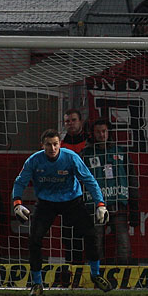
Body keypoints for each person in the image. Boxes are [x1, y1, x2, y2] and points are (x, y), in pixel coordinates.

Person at [12, 129, 112, 296]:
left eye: (55, 144)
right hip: (46, 203)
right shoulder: (34, 160)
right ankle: (37, 283)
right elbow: (20, 182)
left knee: (91, 234)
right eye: (48, 145)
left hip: (72, 201)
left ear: (60, 144)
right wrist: (17, 203)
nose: (52, 148)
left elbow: (89, 180)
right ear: (42, 145)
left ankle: (96, 275)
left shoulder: (71, 157)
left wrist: (100, 204)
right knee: (34, 239)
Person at [81, 119, 140, 265]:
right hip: (94, 206)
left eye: (104, 131)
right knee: (95, 242)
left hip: (118, 205)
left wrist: (134, 207)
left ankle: (124, 273)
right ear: (92, 133)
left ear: (109, 132)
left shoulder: (121, 152)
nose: (101, 135)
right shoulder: (85, 155)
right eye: (98, 132)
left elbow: (132, 179)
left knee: (123, 242)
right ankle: (95, 273)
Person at [60, 109, 87, 273]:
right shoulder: (59, 146)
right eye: (67, 121)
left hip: (87, 197)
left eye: (73, 120)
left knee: (89, 236)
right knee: (69, 236)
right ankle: (71, 270)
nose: (70, 124)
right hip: (68, 198)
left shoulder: (89, 144)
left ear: (80, 122)